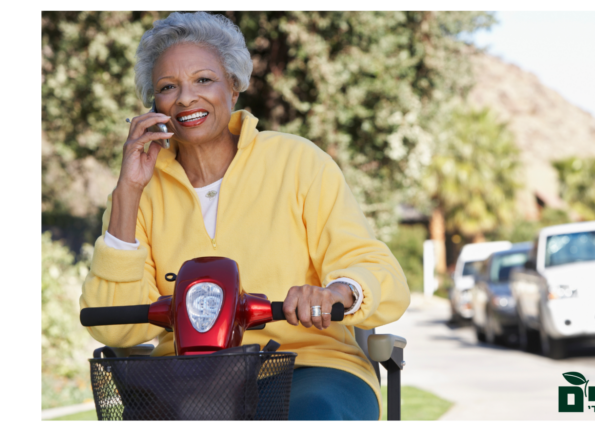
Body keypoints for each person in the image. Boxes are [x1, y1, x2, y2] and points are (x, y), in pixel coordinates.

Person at [79, 11, 410, 421]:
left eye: (204, 80)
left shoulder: (297, 161)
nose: (185, 98)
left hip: (309, 365)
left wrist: (336, 293)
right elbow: (114, 329)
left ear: (233, 87)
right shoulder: (138, 191)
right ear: (154, 104)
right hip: (188, 380)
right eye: (168, 87)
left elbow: (378, 270)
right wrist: (128, 190)